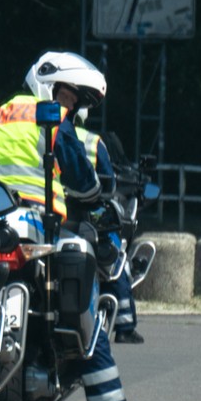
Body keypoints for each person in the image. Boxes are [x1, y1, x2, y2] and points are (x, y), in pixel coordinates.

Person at [0, 50, 129, 401]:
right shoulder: (52, 121)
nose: (72, 108)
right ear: (50, 87)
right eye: (71, 98)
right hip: (40, 228)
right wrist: (93, 197)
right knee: (84, 303)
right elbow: (84, 184)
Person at [68, 73, 145, 344]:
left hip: (51, 210)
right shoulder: (92, 141)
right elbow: (107, 182)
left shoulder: (40, 131)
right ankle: (125, 326)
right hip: (86, 213)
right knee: (115, 257)